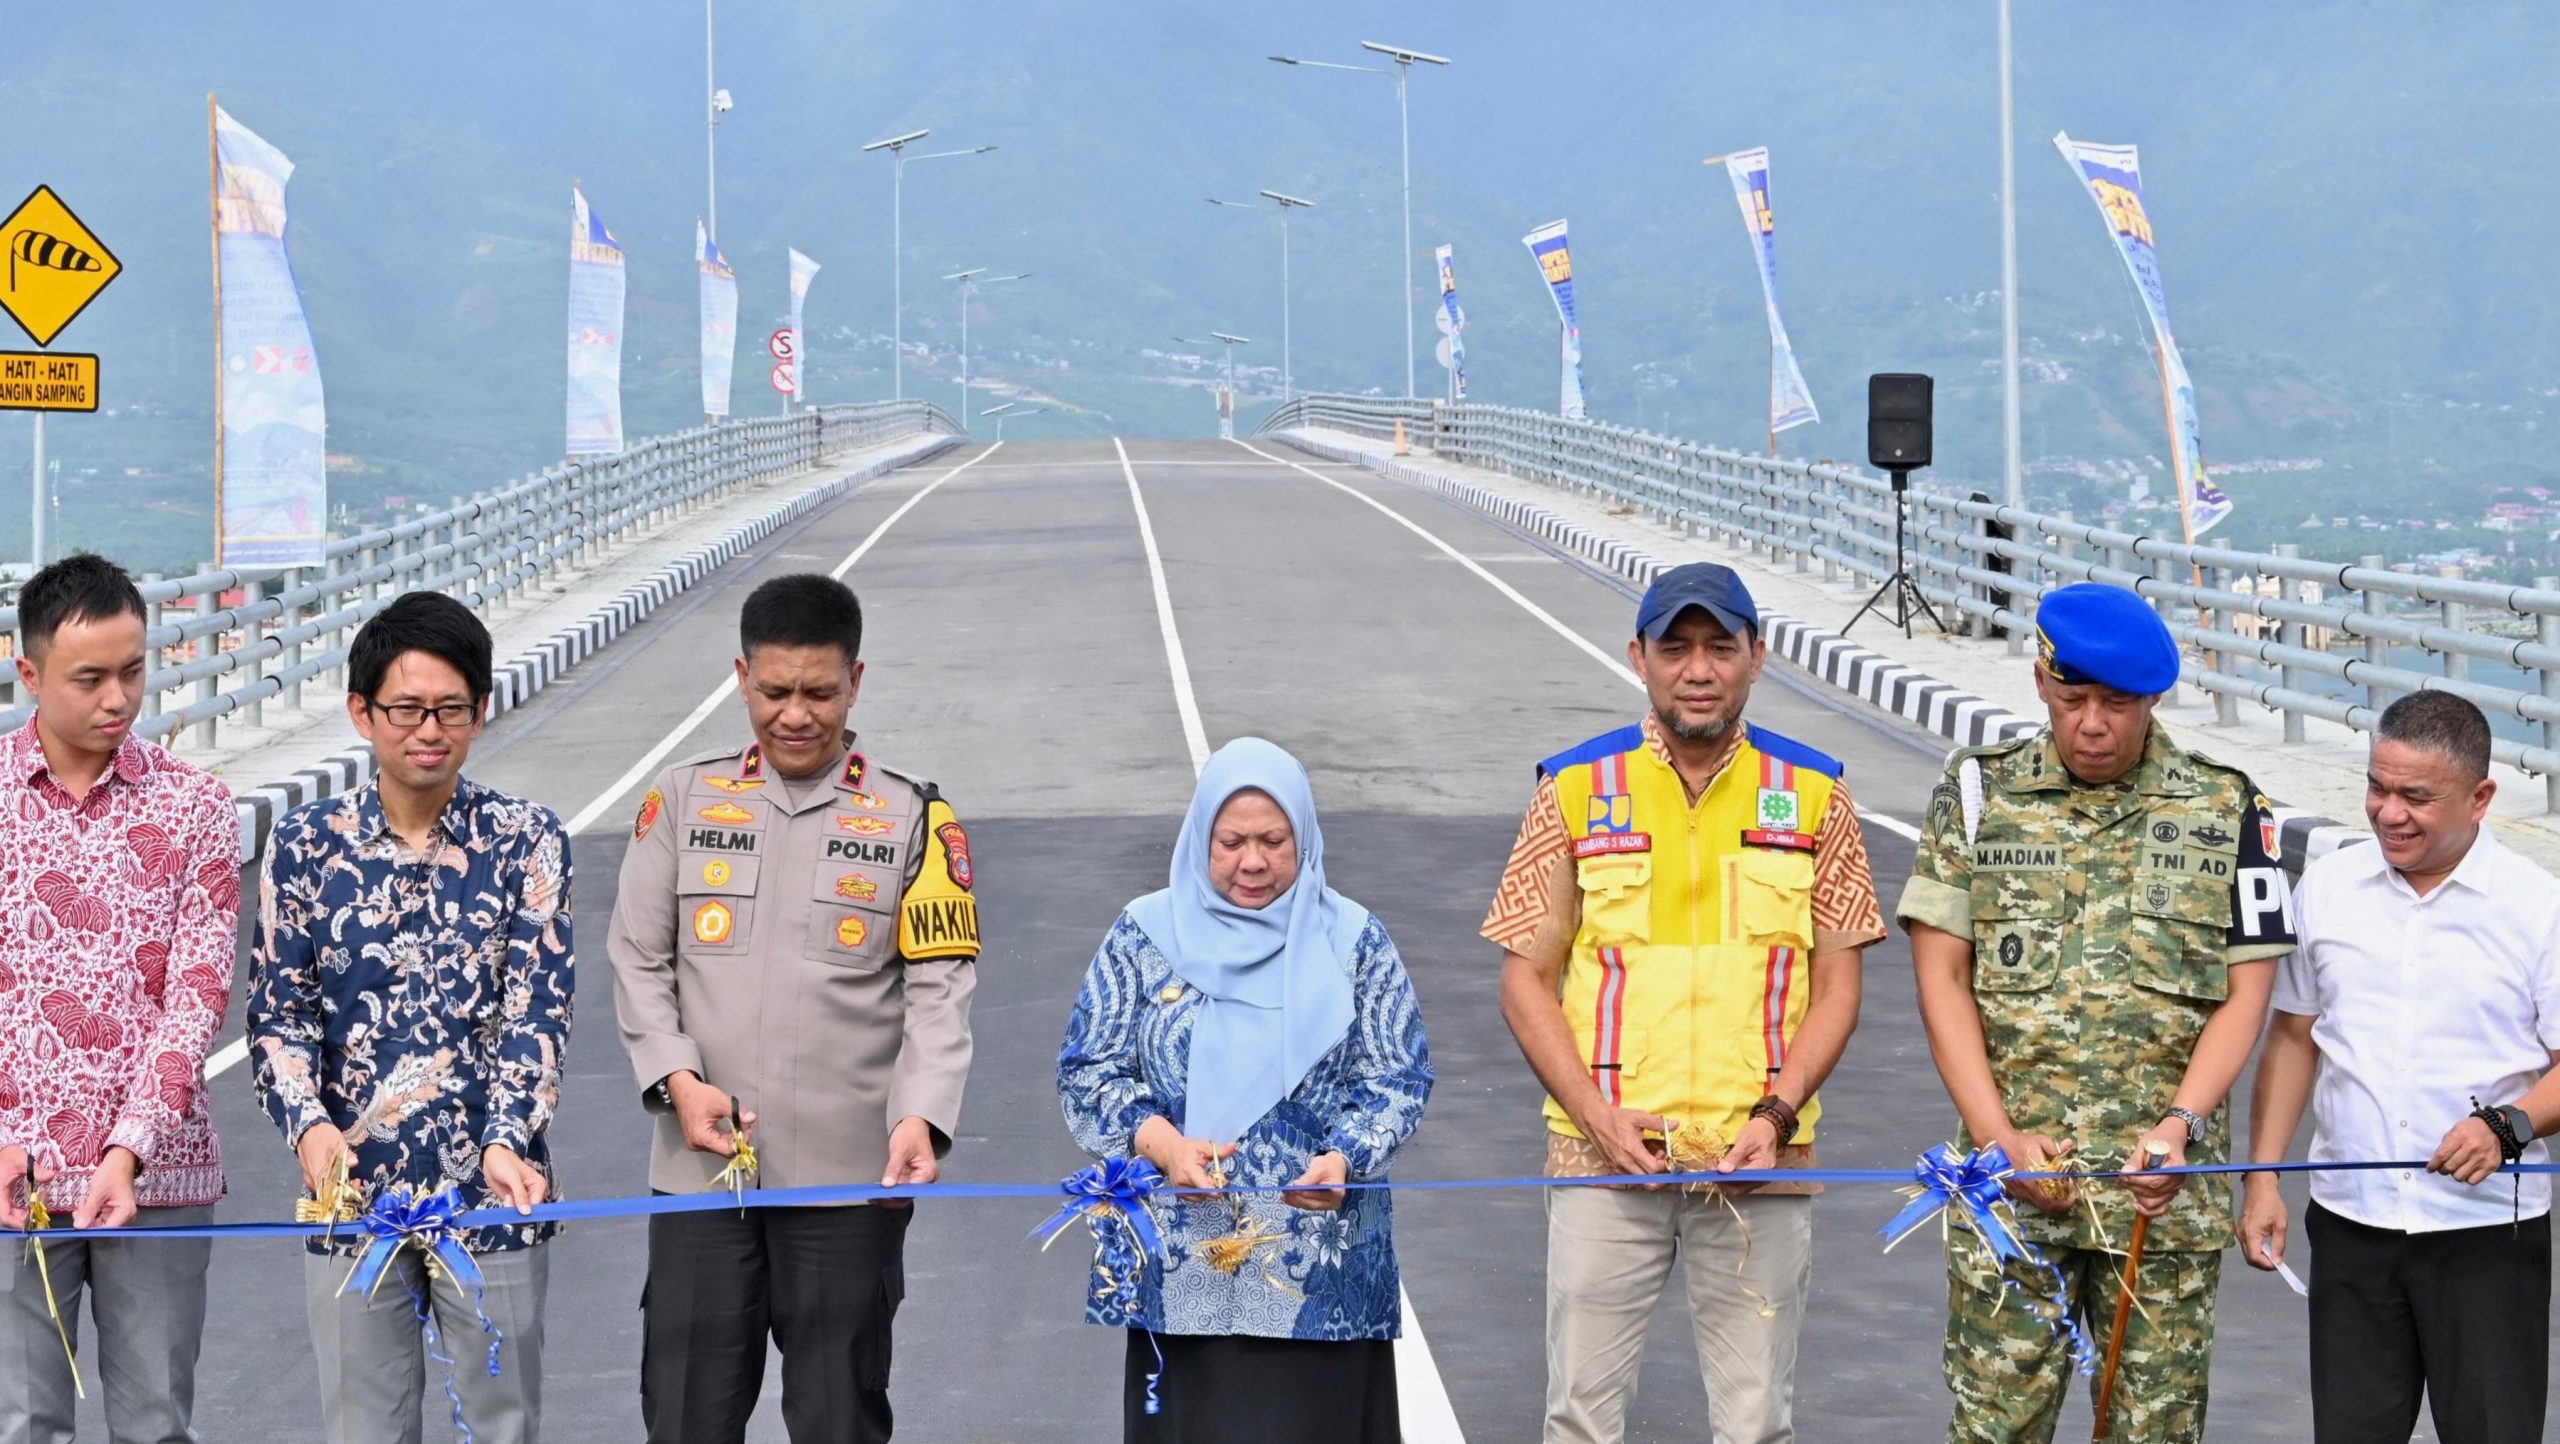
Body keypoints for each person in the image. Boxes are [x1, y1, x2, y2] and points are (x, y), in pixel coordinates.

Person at [1485, 561, 1884, 1444]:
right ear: (1639, 657)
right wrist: (1593, 1116)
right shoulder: (1573, 789)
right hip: (1604, 1157)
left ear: (1757, 658)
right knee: (1581, 1419)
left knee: (1756, 1425)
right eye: (1676, 648)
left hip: (1761, 1159)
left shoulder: (1818, 792)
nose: (1697, 669)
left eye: (1719, 647)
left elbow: (1840, 984)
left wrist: (1776, 1118)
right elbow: (1524, 976)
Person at [1898, 581, 2298, 1443]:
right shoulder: (1976, 793)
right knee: (1995, 1430)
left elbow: (2247, 993)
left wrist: (2182, 1124)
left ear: (2153, 700)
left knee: (2154, 1435)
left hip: (2158, 1201)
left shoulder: (2229, 806)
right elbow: (1942, 980)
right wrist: (1998, 1136)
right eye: (2073, 699)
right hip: (2009, 1196)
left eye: (2118, 705)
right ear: (2041, 682)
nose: (2092, 724)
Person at [609, 573, 977, 1444]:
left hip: (850, 1183)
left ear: (857, 681)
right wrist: (676, 1081)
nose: (795, 715)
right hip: (703, 1177)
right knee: (687, 1416)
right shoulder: (683, 801)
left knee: (838, 1419)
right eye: (773, 692)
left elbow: (940, 990)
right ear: (741, 677)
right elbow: (638, 956)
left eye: (819, 692)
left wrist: (921, 1117)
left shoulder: (917, 816)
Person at [248, 590, 571, 1444]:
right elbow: (280, 1017)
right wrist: (312, 1133)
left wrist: (508, 1138)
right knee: (362, 1427)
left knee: (501, 1423)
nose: (430, 730)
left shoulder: (525, 839)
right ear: (362, 712)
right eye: (407, 709)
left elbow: (537, 1010)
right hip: (352, 1197)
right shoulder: (306, 845)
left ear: (480, 709)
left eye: (451, 710)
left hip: (492, 1192)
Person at [1057, 737, 1431, 1443]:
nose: (1252, 862)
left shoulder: (1354, 942)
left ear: (1305, 839)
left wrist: (1347, 1157)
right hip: (1184, 1265)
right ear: (1201, 837)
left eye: (1273, 841)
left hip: (1320, 1273)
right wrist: (1161, 1143)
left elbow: (1398, 1074)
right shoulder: (1144, 936)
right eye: (1230, 841)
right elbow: (1088, 1068)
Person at [2241, 691, 2560, 1444]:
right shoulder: (2329, 887)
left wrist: (2508, 1128)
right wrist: (2262, 1181)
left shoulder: (2538, 908)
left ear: (2481, 797)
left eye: (2417, 796)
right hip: (2351, 1230)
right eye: (2377, 789)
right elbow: (2293, 1038)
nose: (2389, 813)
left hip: (2488, 1239)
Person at [0, 554, 238, 1441]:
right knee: (24, 1424)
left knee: (156, 1425)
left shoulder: (196, 806)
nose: (118, 699)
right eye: (89, 678)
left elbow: (198, 994)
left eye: (133, 671)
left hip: (157, 1177)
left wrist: (129, 1150)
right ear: (28, 673)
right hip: (9, 1180)